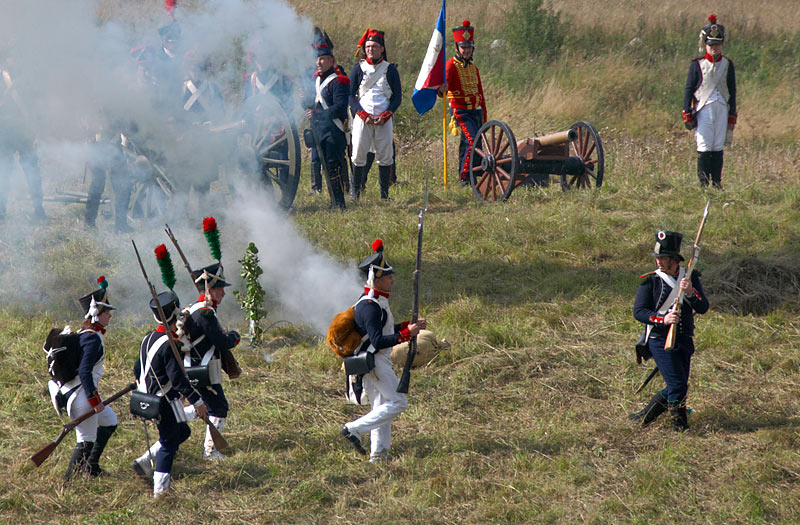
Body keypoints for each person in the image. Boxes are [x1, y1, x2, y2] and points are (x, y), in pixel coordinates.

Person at [340, 239, 426, 463]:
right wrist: (406, 335)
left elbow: (383, 329)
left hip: (377, 360)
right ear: (375, 280)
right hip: (375, 361)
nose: (392, 280)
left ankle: (378, 455)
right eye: (387, 277)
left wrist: (407, 327)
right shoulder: (369, 306)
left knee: (381, 408)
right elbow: (377, 340)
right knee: (399, 402)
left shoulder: (376, 303)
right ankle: (353, 428)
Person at [631, 230, 709, 431]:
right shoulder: (650, 281)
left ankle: (643, 418)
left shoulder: (690, 277)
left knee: (679, 384)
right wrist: (662, 319)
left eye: (663, 257)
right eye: (658, 257)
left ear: (674, 259)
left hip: (683, 339)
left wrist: (691, 291)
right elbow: (639, 311)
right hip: (658, 339)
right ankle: (679, 427)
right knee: (677, 386)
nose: (658, 261)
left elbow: (703, 307)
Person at [132, 290, 208, 497]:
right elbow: (178, 380)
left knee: (183, 432)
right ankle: (161, 493)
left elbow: (137, 370)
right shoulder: (169, 344)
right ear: (174, 316)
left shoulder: (148, 338)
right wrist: (198, 402)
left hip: (148, 398)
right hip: (162, 401)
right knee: (169, 443)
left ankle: (144, 463)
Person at [59, 276, 118, 481]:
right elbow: (85, 372)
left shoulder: (88, 333)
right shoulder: (92, 339)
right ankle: (69, 483)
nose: (110, 315)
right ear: (96, 314)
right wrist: (94, 400)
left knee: (110, 421)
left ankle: (91, 467)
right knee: (85, 441)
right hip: (82, 395)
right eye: (106, 312)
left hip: (81, 391)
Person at [183, 262, 240, 459]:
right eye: (220, 289)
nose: (223, 293)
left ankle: (174, 417)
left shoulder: (199, 309)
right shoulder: (205, 314)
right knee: (219, 408)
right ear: (211, 290)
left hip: (199, 366)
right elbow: (223, 342)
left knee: (206, 405)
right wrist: (235, 336)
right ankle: (210, 451)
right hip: (203, 369)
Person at [683, 14, 736, 188]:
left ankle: (717, 182)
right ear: (706, 44)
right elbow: (689, 89)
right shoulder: (697, 64)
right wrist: (686, 111)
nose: (714, 47)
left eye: (717, 44)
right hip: (703, 108)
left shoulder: (728, 64)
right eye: (711, 44)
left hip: (721, 108)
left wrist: (732, 112)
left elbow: (732, 90)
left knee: (717, 146)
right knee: (705, 146)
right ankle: (704, 184)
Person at [348, 29, 401, 200]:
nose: (371, 49)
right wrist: (361, 114)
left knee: (386, 157)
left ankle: (384, 196)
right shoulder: (358, 69)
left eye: (375, 46)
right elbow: (350, 96)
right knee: (358, 155)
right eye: (368, 46)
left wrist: (387, 114)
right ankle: (355, 193)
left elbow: (397, 97)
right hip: (363, 118)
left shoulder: (390, 70)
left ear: (382, 49)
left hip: (383, 119)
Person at [302, 27, 350, 209]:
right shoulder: (317, 81)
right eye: (318, 59)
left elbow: (338, 108)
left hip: (334, 131)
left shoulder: (339, 81)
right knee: (325, 165)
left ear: (332, 60)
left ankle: (340, 203)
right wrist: (303, 101)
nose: (319, 62)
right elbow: (312, 106)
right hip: (320, 131)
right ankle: (333, 202)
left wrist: (318, 114)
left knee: (333, 167)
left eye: (322, 59)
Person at [438, 20, 487, 186]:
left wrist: (484, 118)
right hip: (461, 112)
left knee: (475, 142)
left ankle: (475, 172)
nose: (466, 50)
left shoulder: (474, 68)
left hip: (475, 111)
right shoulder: (450, 66)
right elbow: (442, 90)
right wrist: (442, 88)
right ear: (457, 48)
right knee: (472, 141)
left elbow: (480, 94)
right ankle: (465, 177)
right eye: (463, 47)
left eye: (469, 47)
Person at [0, 53, 46, 222]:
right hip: (7, 131)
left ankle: (38, 208)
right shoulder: (16, 78)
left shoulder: (26, 79)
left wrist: (36, 127)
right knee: (5, 171)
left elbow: (36, 105)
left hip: (20, 131)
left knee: (30, 170)